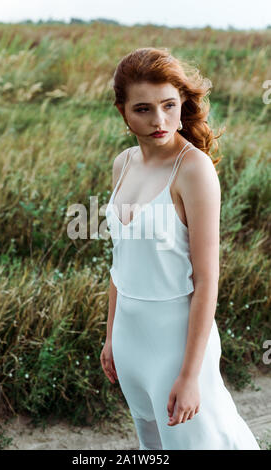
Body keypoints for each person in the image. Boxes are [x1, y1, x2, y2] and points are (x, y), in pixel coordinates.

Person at [100, 47, 260, 450]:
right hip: (130, 338)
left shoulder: (194, 170)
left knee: (205, 442)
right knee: (152, 447)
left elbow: (207, 280)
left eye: (169, 105)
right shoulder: (123, 164)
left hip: (178, 343)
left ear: (182, 103)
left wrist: (190, 376)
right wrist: (110, 337)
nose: (159, 121)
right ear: (122, 111)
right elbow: (121, 262)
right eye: (143, 109)